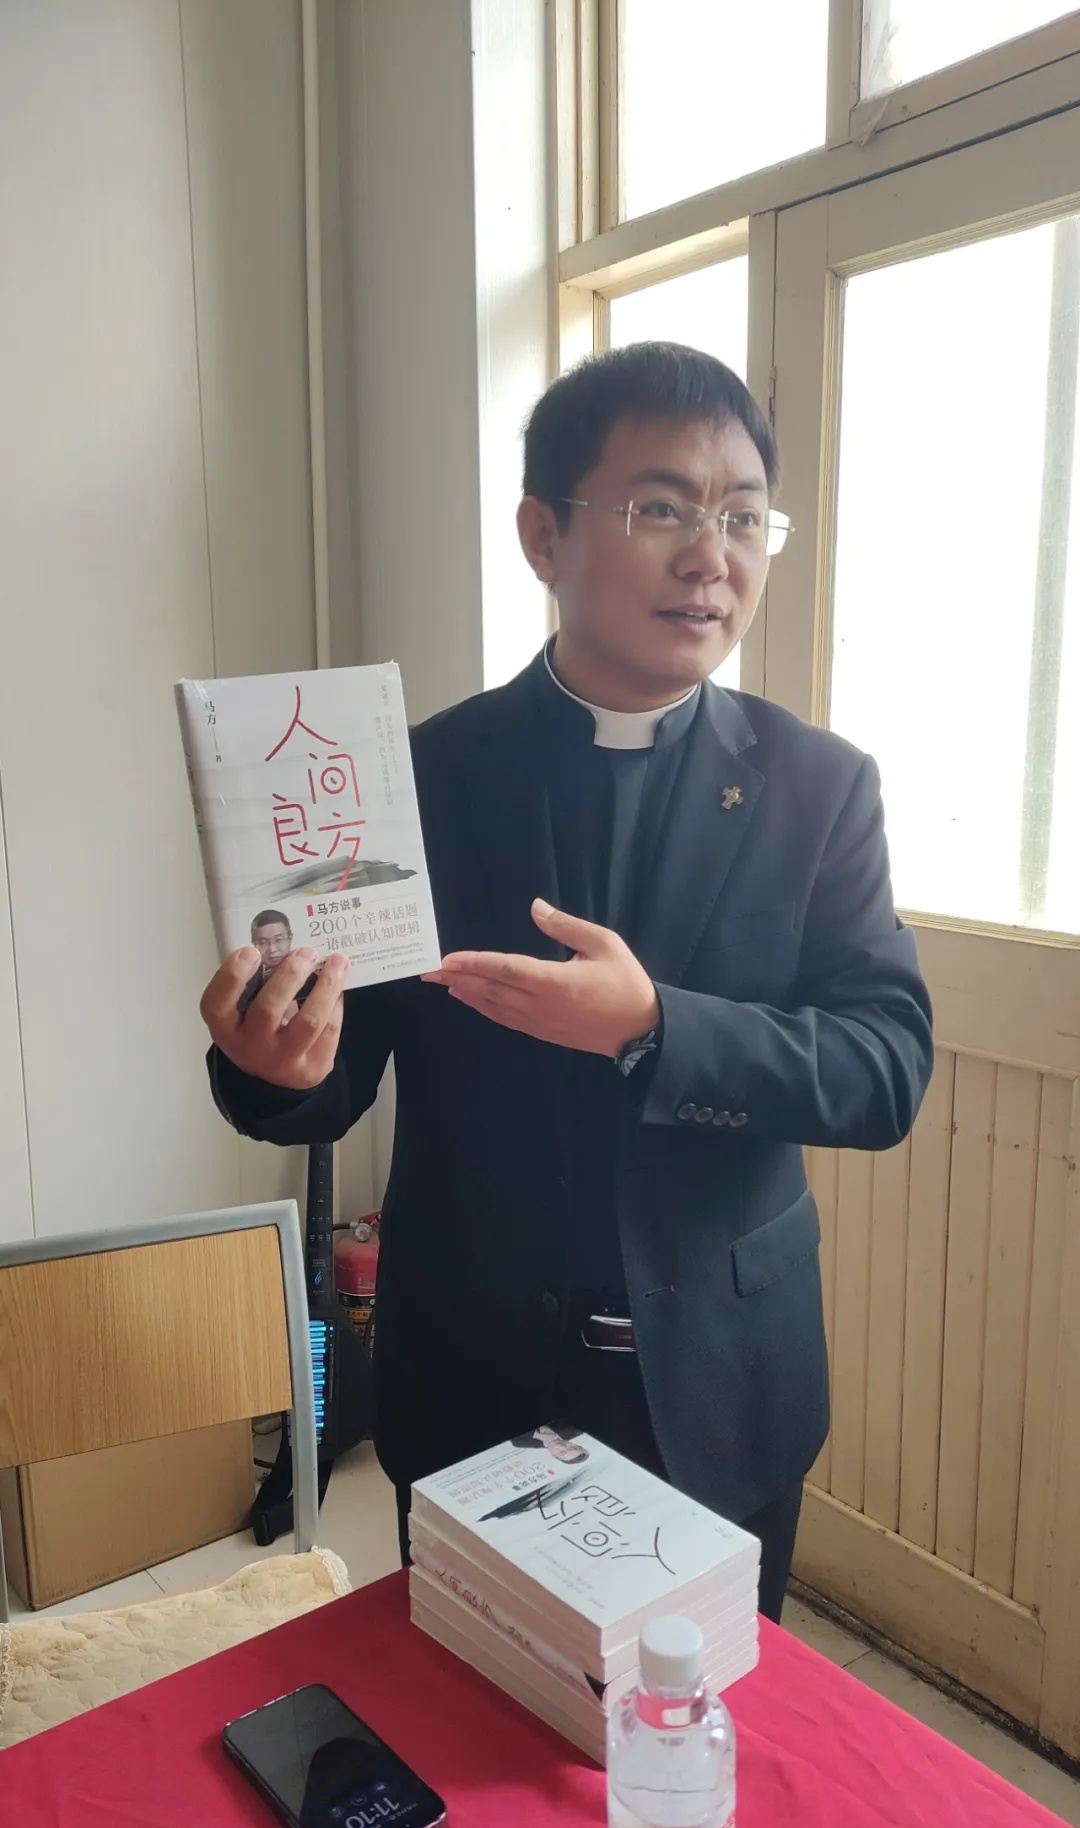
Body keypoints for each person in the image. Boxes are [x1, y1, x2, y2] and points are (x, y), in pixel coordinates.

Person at [200, 343, 933, 1623]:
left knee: (702, 1725)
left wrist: (654, 1029)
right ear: (543, 535)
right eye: (662, 509)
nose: (711, 557)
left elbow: (884, 1069)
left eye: (744, 516)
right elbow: (335, 1068)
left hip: (721, 1381)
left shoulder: (820, 789)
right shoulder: (416, 780)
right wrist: (272, 1068)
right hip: (473, 1370)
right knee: (463, 1710)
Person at [237, 910, 293, 1013]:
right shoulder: (244, 982)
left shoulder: (312, 975)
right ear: (254, 944)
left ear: (290, 938)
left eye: (278, 940)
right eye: (263, 943)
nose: (272, 949)